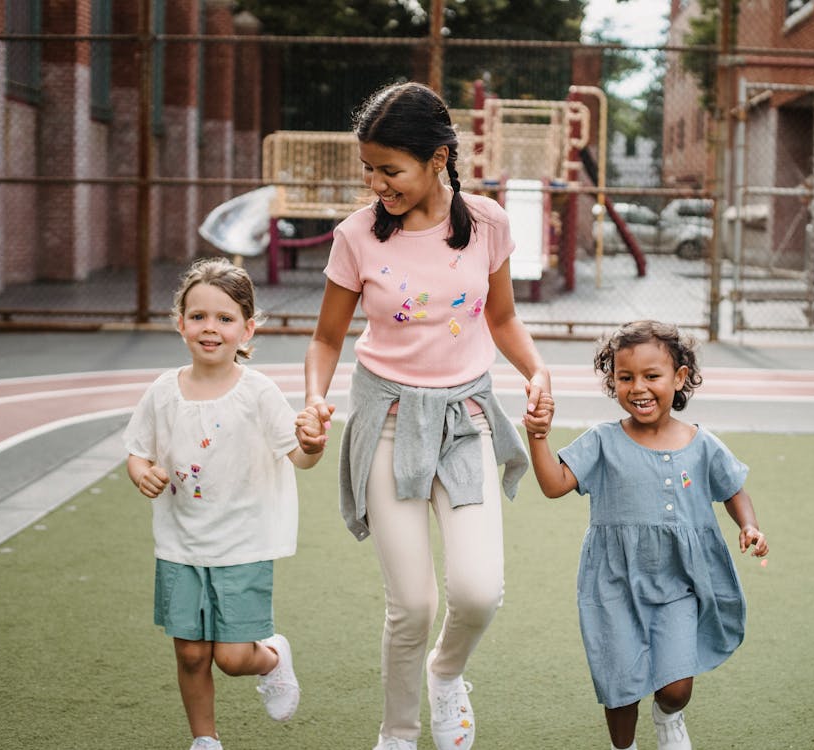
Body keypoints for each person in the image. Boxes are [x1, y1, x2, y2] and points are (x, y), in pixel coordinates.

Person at [294, 81, 551, 750]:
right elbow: (326, 339)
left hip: (465, 420)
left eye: (390, 169)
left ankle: (446, 673)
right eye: (370, 169)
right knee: (410, 605)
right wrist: (316, 396)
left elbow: (501, 317)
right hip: (385, 418)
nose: (377, 183)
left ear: (438, 159)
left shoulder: (489, 223)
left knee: (477, 592)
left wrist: (536, 370)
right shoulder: (357, 235)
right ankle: (398, 734)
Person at [522, 320, 768, 750]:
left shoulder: (702, 443)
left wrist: (749, 525)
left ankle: (668, 717)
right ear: (612, 381)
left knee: (676, 688)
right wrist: (538, 436)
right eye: (625, 377)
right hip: (613, 582)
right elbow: (552, 484)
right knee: (620, 687)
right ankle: (624, 747)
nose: (639, 387)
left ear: (680, 378)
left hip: (678, 582)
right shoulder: (602, 441)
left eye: (652, 376)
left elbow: (733, 489)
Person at [124, 257, 324, 750]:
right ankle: (205, 740)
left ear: (247, 328)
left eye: (224, 318)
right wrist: (142, 474)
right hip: (181, 544)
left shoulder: (258, 393)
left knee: (233, 658)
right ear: (180, 323)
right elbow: (137, 450)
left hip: (243, 543)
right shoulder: (163, 392)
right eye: (198, 316)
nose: (210, 328)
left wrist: (313, 443)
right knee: (191, 654)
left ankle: (273, 656)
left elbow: (299, 456)